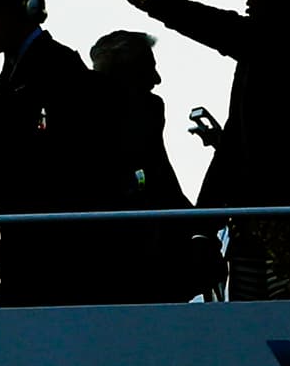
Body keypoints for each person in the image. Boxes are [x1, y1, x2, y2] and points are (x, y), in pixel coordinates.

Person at [110, 0, 290, 299]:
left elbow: (216, 27)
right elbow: (238, 143)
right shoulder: (271, 48)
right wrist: (203, 227)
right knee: (262, 335)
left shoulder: (287, 43)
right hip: (257, 224)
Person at [0, 0, 131, 306]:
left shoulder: (61, 72)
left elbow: (80, 169)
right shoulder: (18, 74)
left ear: (26, 9)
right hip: (28, 252)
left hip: (63, 261)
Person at [89, 31, 225, 300]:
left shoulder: (147, 110)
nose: (157, 79)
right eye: (147, 70)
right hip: (127, 260)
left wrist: (196, 230)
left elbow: (161, 179)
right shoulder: (125, 117)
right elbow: (154, 181)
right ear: (124, 75)